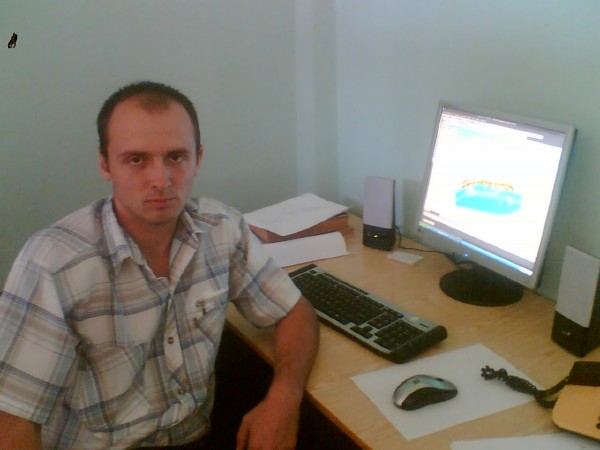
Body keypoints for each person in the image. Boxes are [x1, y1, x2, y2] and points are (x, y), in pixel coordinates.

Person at [0, 81, 319, 449]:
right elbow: (11, 422)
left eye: (176, 157)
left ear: (198, 158)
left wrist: (284, 398)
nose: (161, 180)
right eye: (137, 159)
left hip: (198, 436)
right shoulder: (54, 263)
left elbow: (294, 313)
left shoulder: (222, 229)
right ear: (105, 164)